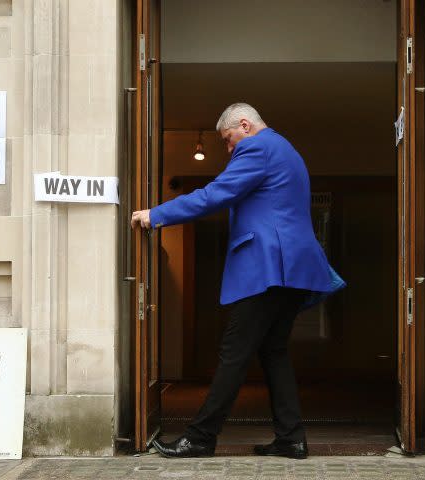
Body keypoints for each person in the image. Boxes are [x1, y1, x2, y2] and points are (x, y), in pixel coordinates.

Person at [130, 103, 345, 459]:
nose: (229, 149)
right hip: (294, 270)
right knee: (272, 350)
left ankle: (200, 437)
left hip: (269, 268)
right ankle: (291, 438)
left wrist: (158, 214)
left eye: (229, 140)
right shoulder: (286, 148)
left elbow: (216, 194)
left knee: (234, 352)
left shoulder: (257, 147)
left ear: (244, 125)